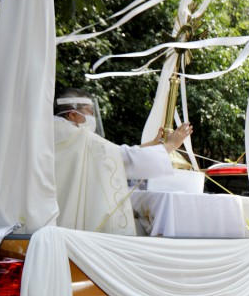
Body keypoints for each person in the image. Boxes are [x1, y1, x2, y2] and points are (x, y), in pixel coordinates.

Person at [53, 87, 193, 234]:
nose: (92, 116)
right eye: (89, 111)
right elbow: (118, 158)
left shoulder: (54, 132)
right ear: (73, 115)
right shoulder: (79, 137)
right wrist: (170, 145)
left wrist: (147, 146)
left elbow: (113, 153)